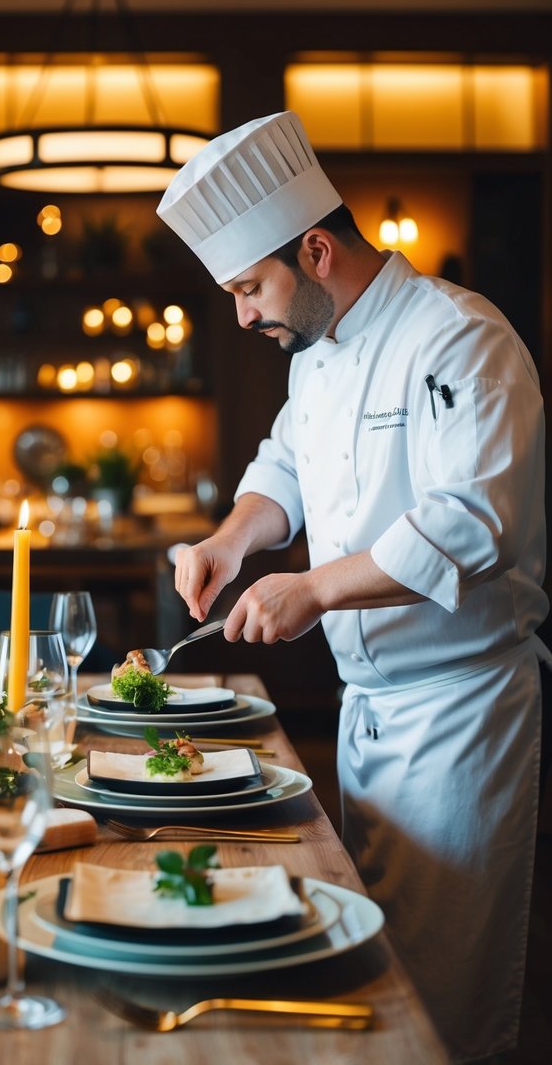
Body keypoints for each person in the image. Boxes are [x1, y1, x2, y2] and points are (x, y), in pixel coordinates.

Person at [157, 111, 549, 1064]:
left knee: (447, 1007)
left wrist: (315, 590)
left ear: (316, 250)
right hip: (366, 713)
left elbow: (472, 525)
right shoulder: (316, 357)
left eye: (250, 287)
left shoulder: (459, 338)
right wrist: (229, 539)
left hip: (461, 717)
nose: (243, 315)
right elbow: (282, 469)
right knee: (378, 976)